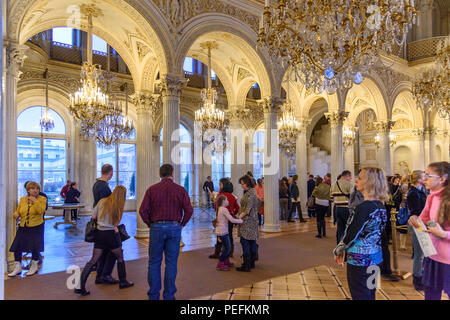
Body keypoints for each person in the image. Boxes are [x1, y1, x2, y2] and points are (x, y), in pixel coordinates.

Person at [139, 164, 194, 300]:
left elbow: (142, 210)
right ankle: (169, 295)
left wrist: (150, 224)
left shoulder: (152, 189)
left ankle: (153, 295)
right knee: (171, 263)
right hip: (174, 227)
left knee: (154, 262)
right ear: (172, 174)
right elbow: (189, 210)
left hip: (156, 227)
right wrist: (182, 224)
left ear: (160, 174)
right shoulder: (180, 190)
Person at [333, 167, 389, 300]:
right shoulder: (380, 206)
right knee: (370, 294)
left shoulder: (363, 207)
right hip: (375, 258)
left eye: (360, 178)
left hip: (360, 261)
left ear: (370, 182)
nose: (356, 180)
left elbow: (351, 234)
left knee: (360, 295)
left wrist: (338, 250)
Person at [75, 186, 133, 296]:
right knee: (120, 257)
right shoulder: (118, 206)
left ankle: (80, 286)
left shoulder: (102, 201)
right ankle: (123, 281)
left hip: (100, 234)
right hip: (111, 235)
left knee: (93, 260)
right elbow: (115, 223)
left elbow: (93, 216)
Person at [409, 161, 450, 300]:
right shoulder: (431, 196)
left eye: (428, 175)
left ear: (442, 178)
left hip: (448, 259)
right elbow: (423, 220)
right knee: (431, 294)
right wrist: (415, 220)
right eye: (424, 175)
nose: (424, 179)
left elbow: (442, 232)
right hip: (433, 255)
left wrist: (443, 234)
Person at [8, 182, 47, 277]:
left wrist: (35, 201)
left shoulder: (42, 199)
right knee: (17, 245)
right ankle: (18, 266)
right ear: (28, 190)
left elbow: (41, 211)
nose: (35, 190)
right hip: (23, 225)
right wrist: (16, 214)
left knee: (35, 246)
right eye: (33, 188)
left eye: (37, 188)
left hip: (37, 226)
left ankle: (34, 266)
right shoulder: (22, 199)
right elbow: (19, 210)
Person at [92, 164, 118, 285]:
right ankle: (105, 274)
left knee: (103, 250)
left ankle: (100, 275)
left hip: (98, 220)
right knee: (112, 250)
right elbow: (106, 207)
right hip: (105, 223)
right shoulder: (104, 187)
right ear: (111, 172)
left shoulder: (96, 184)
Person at [406, 170, 427, 291]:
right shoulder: (413, 193)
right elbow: (417, 211)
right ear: (418, 179)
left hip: (422, 223)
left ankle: (422, 275)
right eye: (424, 177)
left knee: (423, 253)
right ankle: (417, 278)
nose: (425, 179)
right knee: (419, 253)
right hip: (417, 224)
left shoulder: (420, 191)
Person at [209, 178, 240, 259]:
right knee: (229, 235)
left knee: (220, 235)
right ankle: (230, 252)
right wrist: (233, 214)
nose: (219, 186)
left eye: (220, 184)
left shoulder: (220, 196)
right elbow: (237, 208)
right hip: (230, 219)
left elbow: (216, 208)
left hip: (221, 220)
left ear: (223, 185)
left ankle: (217, 253)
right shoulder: (233, 196)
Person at [236, 175, 259, 272]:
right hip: (252, 220)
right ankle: (252, 262)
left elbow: (247, 210)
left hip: (247, 221)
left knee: (245, 241)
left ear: (247, 183)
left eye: (242, 184)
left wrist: (238, 218)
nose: (241, 186)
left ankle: (246, 265)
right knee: (252, 241)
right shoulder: (251, 192)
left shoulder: (250, 194)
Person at [214, 195, 243, 271]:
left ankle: (226, 261)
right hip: (223, 232)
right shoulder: (224, 209)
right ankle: (220, 263)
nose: (228, 201)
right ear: (223, 201)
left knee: (225, 247)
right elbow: (231, 220)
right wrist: (240, 221)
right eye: (227, 200)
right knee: (228, 248)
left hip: (221, 231)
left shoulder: (220, 208)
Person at [331, 170, 354, 244]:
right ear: (346, 176)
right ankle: (346, 245)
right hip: (346, 208)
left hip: (337, 208)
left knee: (340, 229)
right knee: (348, 228)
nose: (350, 179)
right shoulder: (348, 184)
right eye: (350, 177)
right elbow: (353, 197)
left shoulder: (333, 184)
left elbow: (331, 197)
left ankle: (339, 245)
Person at [398, 175, 410, 250]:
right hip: (404, 208)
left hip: (403, 208)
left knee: (403, 228)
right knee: (403, 227)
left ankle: (403, 244)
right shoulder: (405, 187)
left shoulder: (401, 187)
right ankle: (402, 244)